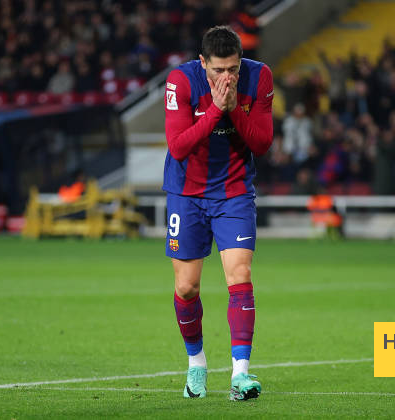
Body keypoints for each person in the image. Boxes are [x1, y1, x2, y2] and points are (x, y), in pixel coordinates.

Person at [163, 26, 273, 401]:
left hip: (234, 191)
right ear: (202, 64)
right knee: (186, 286)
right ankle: (196, 362)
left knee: (240, 274)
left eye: (233, 69)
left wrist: (232, 113)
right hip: (186, 193)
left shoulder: (259, 77)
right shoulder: (180, 82)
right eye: (218, 71)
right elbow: (177, 147)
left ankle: (241, 373)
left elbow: (262, 141)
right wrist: (215, 111)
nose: (227, 78)